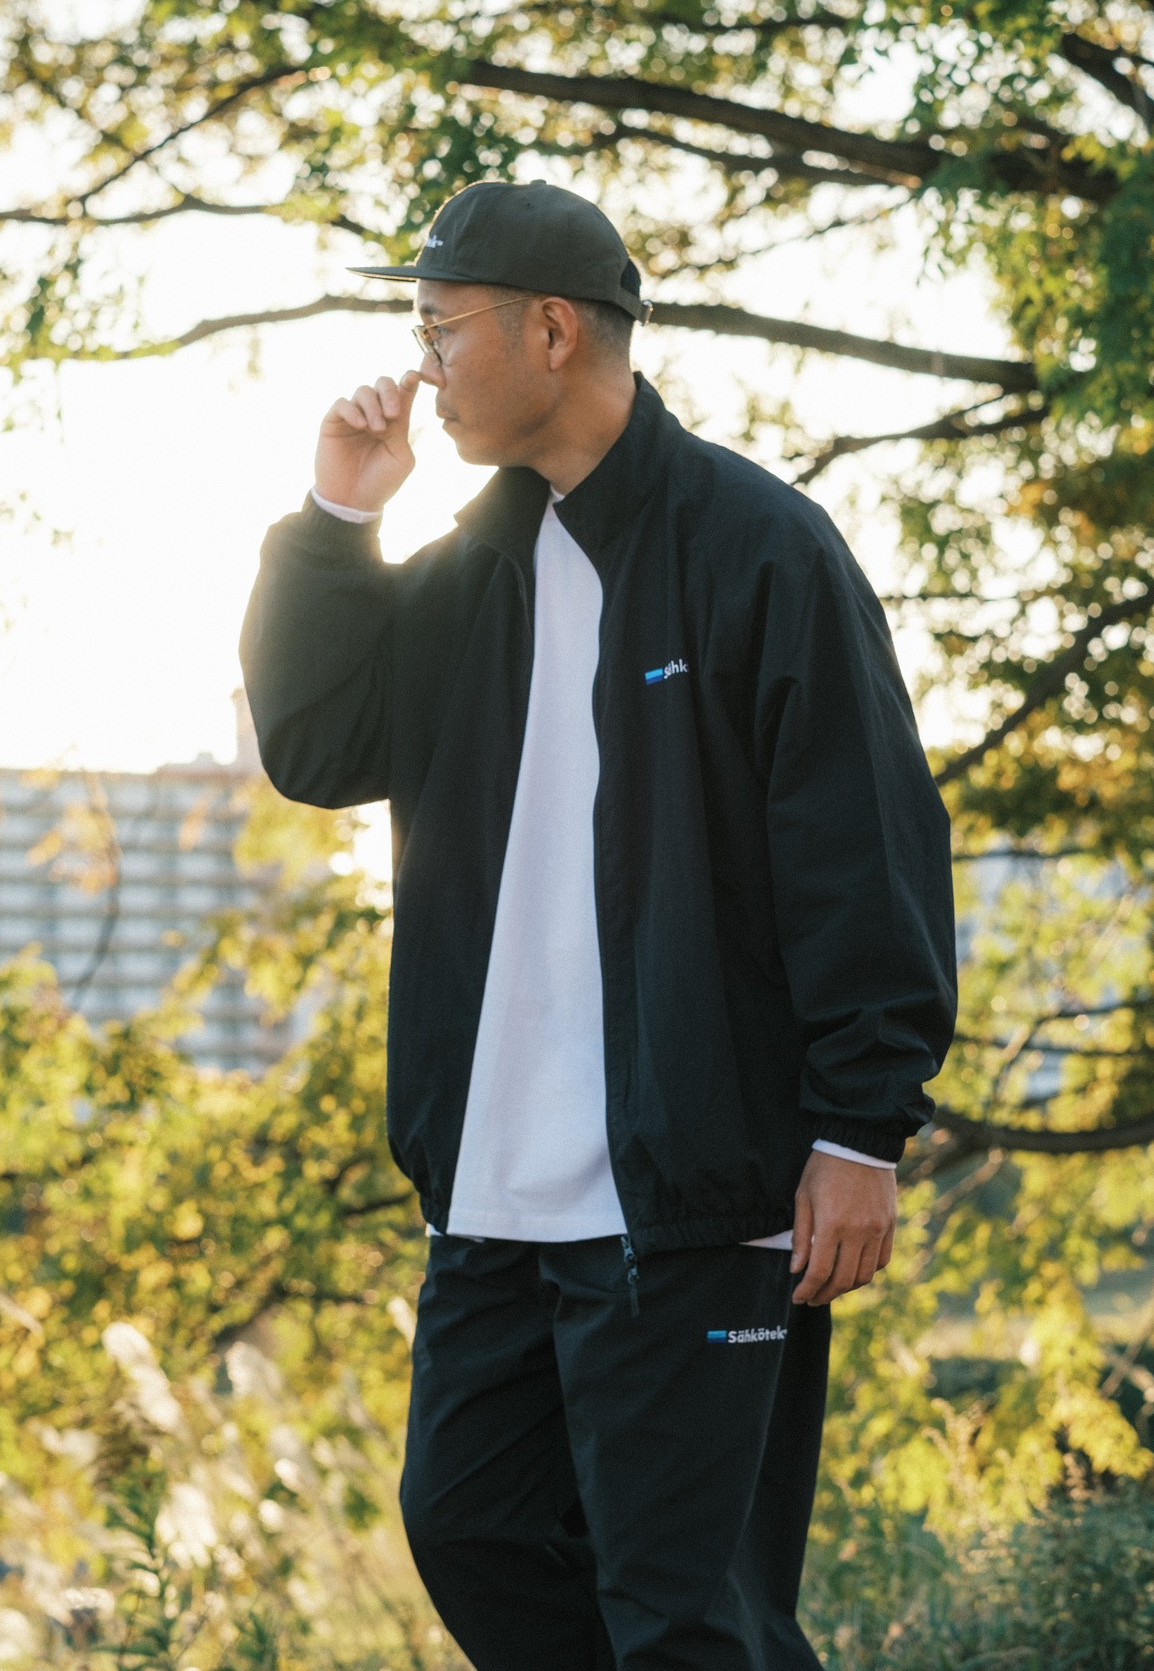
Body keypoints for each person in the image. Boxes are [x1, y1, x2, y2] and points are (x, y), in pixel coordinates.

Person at [240, 180, 957, 1671]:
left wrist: (861, 1128)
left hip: (699, 1196)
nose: (423, 365)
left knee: (689, 1611)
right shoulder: (470, 575)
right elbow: (315, 744)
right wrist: (339, 519)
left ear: (552, 331)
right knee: (473, 1530)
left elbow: (864, 845)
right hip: (495, 1193)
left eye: (442, 329)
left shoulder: (762, 551)